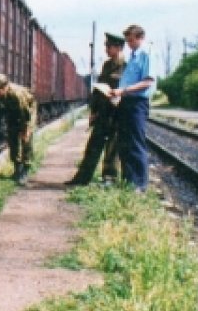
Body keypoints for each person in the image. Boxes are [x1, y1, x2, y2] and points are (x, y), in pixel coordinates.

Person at [66, 33, 126, 185]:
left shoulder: (126, 65)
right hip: (103, 111)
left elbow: (126, 88)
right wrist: (93, 111)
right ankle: (82, 177)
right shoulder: (107, 65)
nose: (106, 48)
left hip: (116, 112)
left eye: (109, 46)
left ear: (118, 47)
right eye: (106, 45)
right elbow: (98, 89)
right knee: (93, 144)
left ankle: (109, 178)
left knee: (112, 147)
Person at [109, 24, 156, 191]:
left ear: (140, 38)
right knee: (125, 143)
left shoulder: (146, 55)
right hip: (127, 103)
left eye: (131, 40)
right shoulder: (134, 56)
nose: (128, 44)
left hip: (137, 104)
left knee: (136, 143)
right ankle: (129, 181)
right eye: (127, 40)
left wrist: (123, 90)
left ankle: (140, 184)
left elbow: (148, 81)